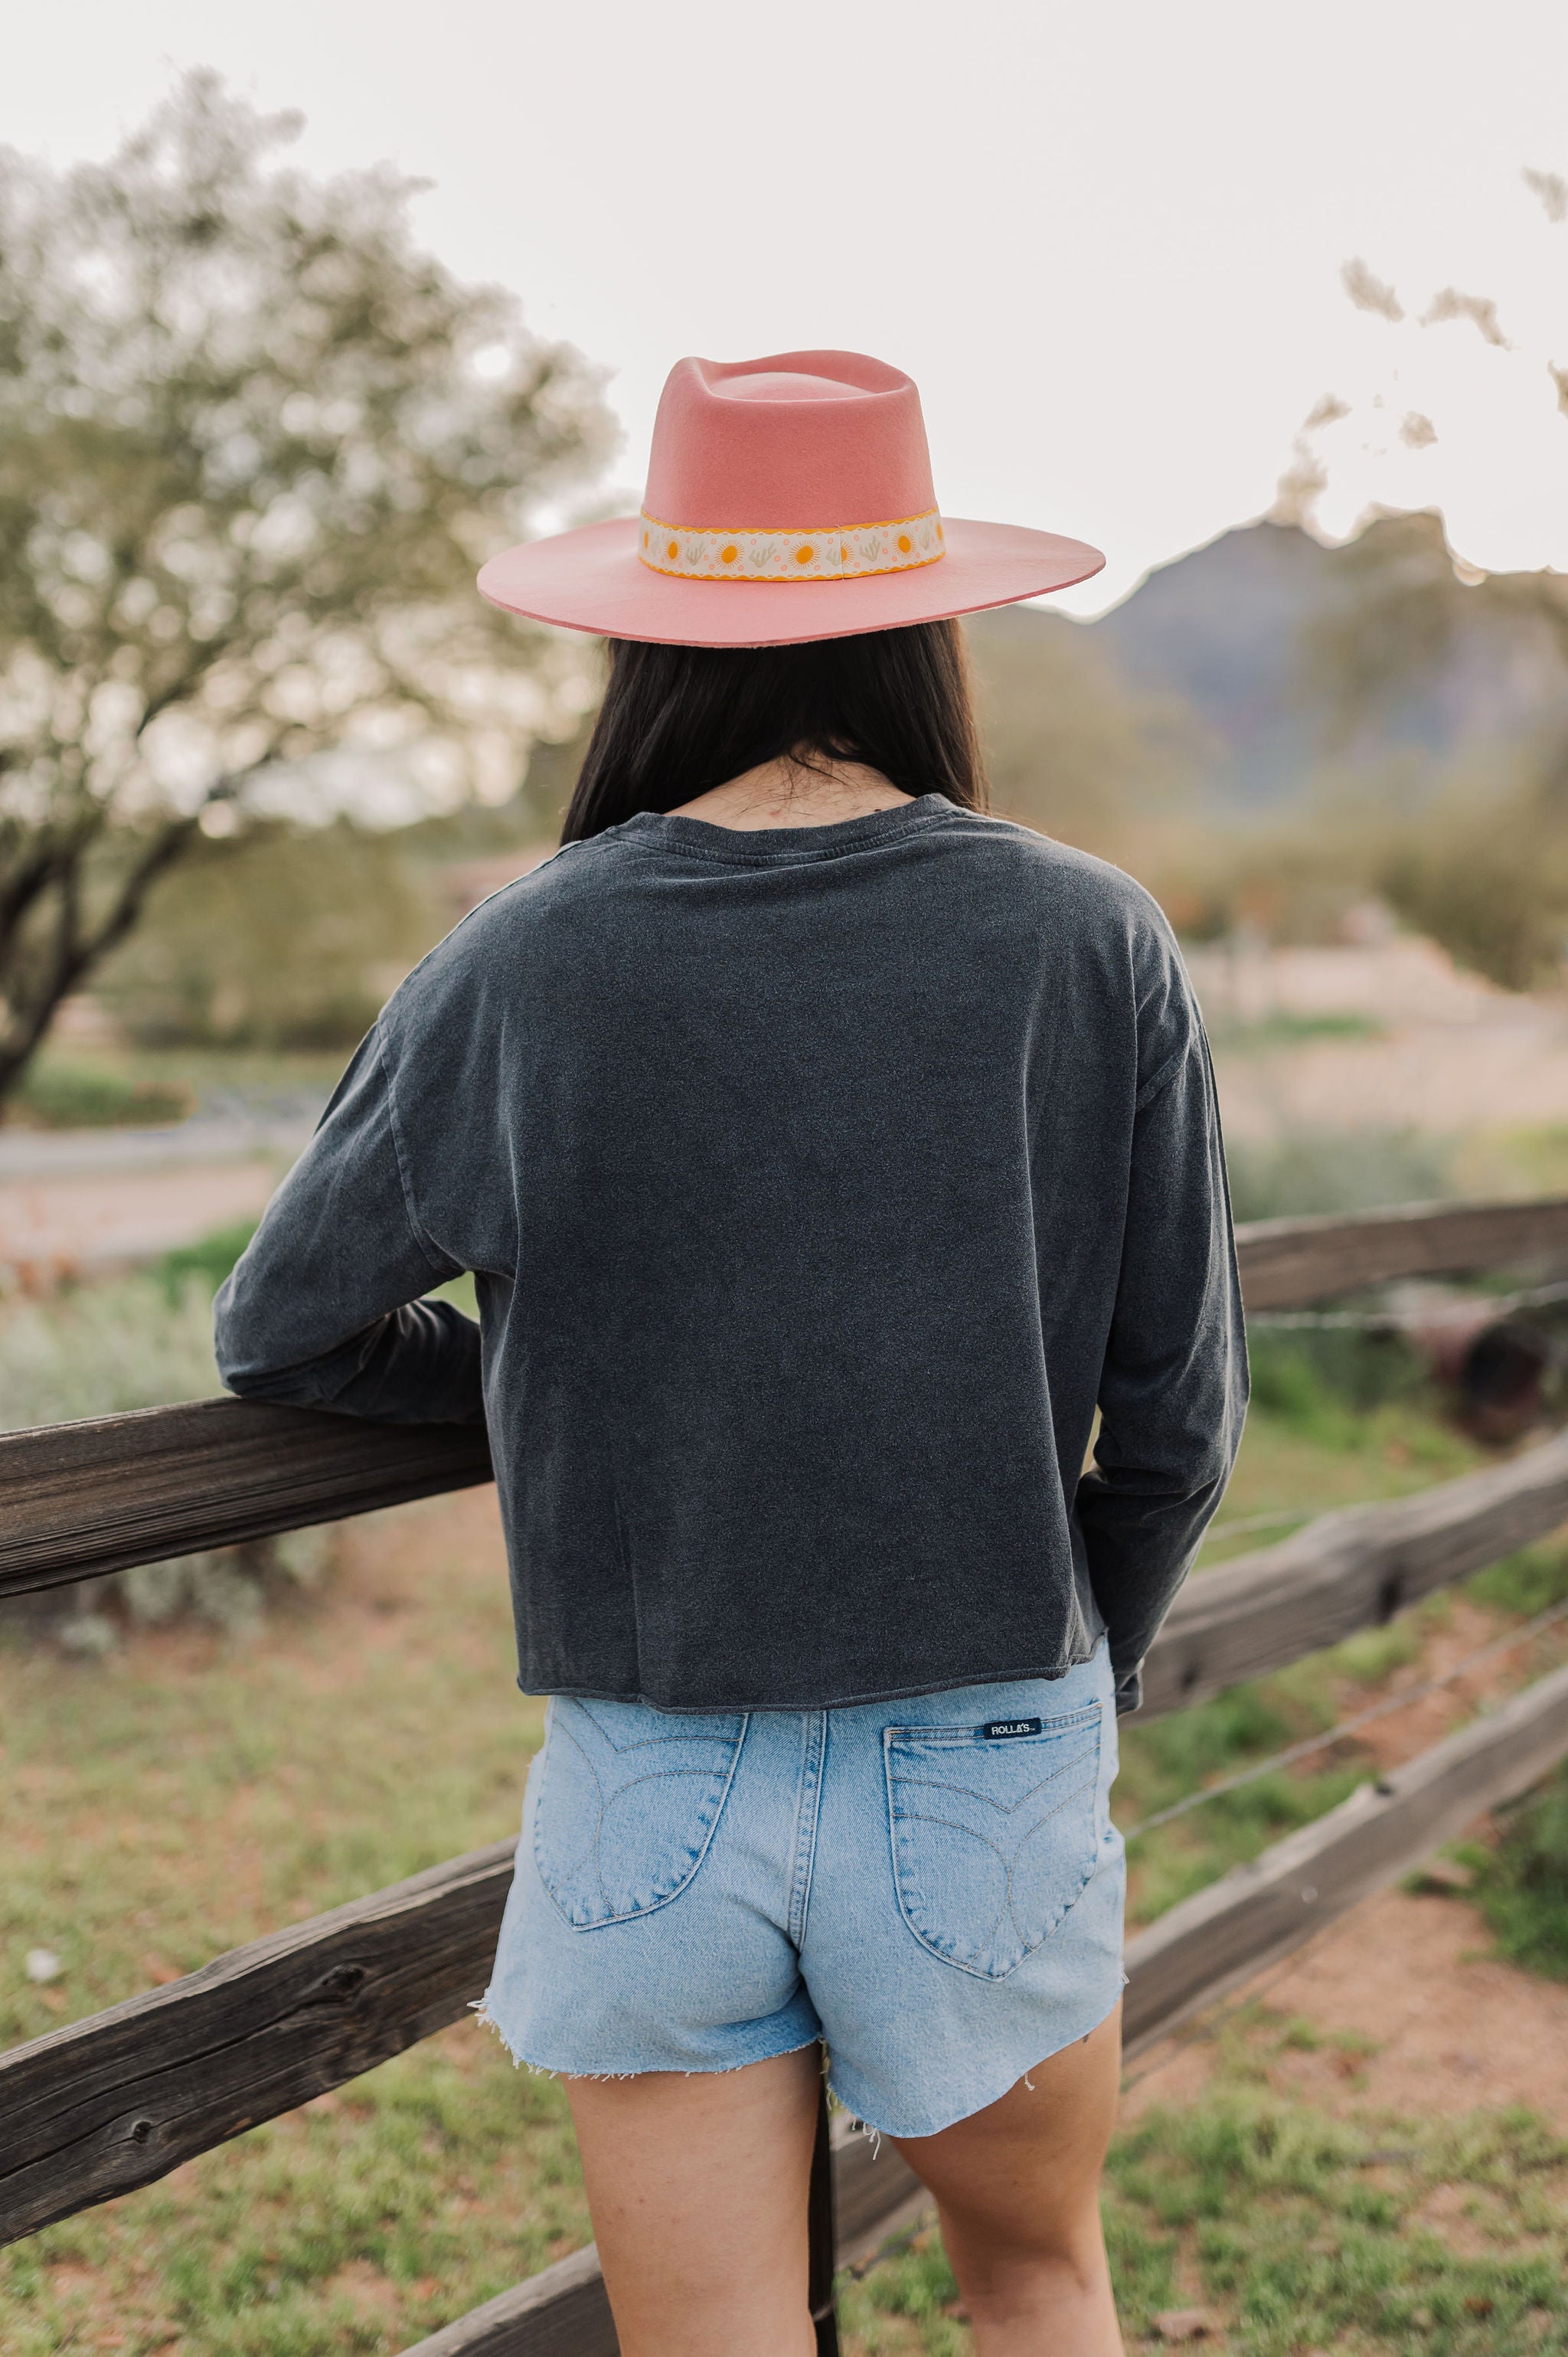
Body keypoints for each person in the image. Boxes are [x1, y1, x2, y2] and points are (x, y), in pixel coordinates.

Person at [215, 349, 1246, 2357]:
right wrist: (1074, 1665)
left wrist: (550, 1391)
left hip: (651, 1765)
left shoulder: (520, 957)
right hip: (987, 1743)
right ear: (928, 625)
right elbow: (1182, 1419)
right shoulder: (1092, 939)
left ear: (647, 636)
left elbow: (284, 1327)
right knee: (1037, 2284)